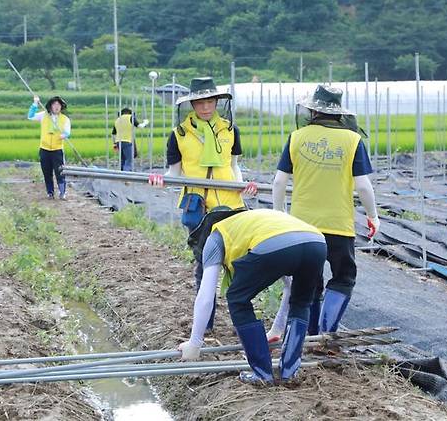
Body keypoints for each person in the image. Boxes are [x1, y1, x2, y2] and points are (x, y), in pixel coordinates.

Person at [148, 77, 257, 330]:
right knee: (205, 264)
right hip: (198, 206)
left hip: (230, 204)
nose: (206, 108)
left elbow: (233, 167)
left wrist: (244, 186)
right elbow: (175, 173)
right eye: (200, 103)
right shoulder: (179, 135)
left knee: (236, 262)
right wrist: (160, 180)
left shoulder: (230, 130)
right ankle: (205, 323)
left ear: (217, 102)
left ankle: (240, 318)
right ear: (192, 105)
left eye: (210, 101)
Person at [271, 85, 379, 338]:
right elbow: (363, 185)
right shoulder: (353, 140)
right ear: (339, 114)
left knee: (308, 282)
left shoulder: (297, 137)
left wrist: (279, 216)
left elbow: (278, 182)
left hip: (301, 227)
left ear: (312, 111)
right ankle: (327, 333)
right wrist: (372, 216)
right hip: (338, 225)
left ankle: (307, 338)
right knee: (343, 277)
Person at [177, 209, 327, 384]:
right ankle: (289, 371)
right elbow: (290, 286)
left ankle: (262, 373)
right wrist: (277, 329)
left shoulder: (216, 235)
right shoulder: (255, 222)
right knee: (301, 303)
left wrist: (194, 344)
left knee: (237, 298)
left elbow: (206, 296)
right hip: (317, 242)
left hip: (277, 243)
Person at [28, 95, 71, 200]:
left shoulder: (65, 119)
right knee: (47, 172)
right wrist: (35, 104)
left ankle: (62, 192)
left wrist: (64, 135)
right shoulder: (44, 115)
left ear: (61, 107)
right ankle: (50, 193)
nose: (56, 107)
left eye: (58, 105)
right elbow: (30, 116)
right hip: (44, 149)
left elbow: (67, 132)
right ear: (50, 106)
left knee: (60, 172)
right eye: (54, 104)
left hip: (57, 149)